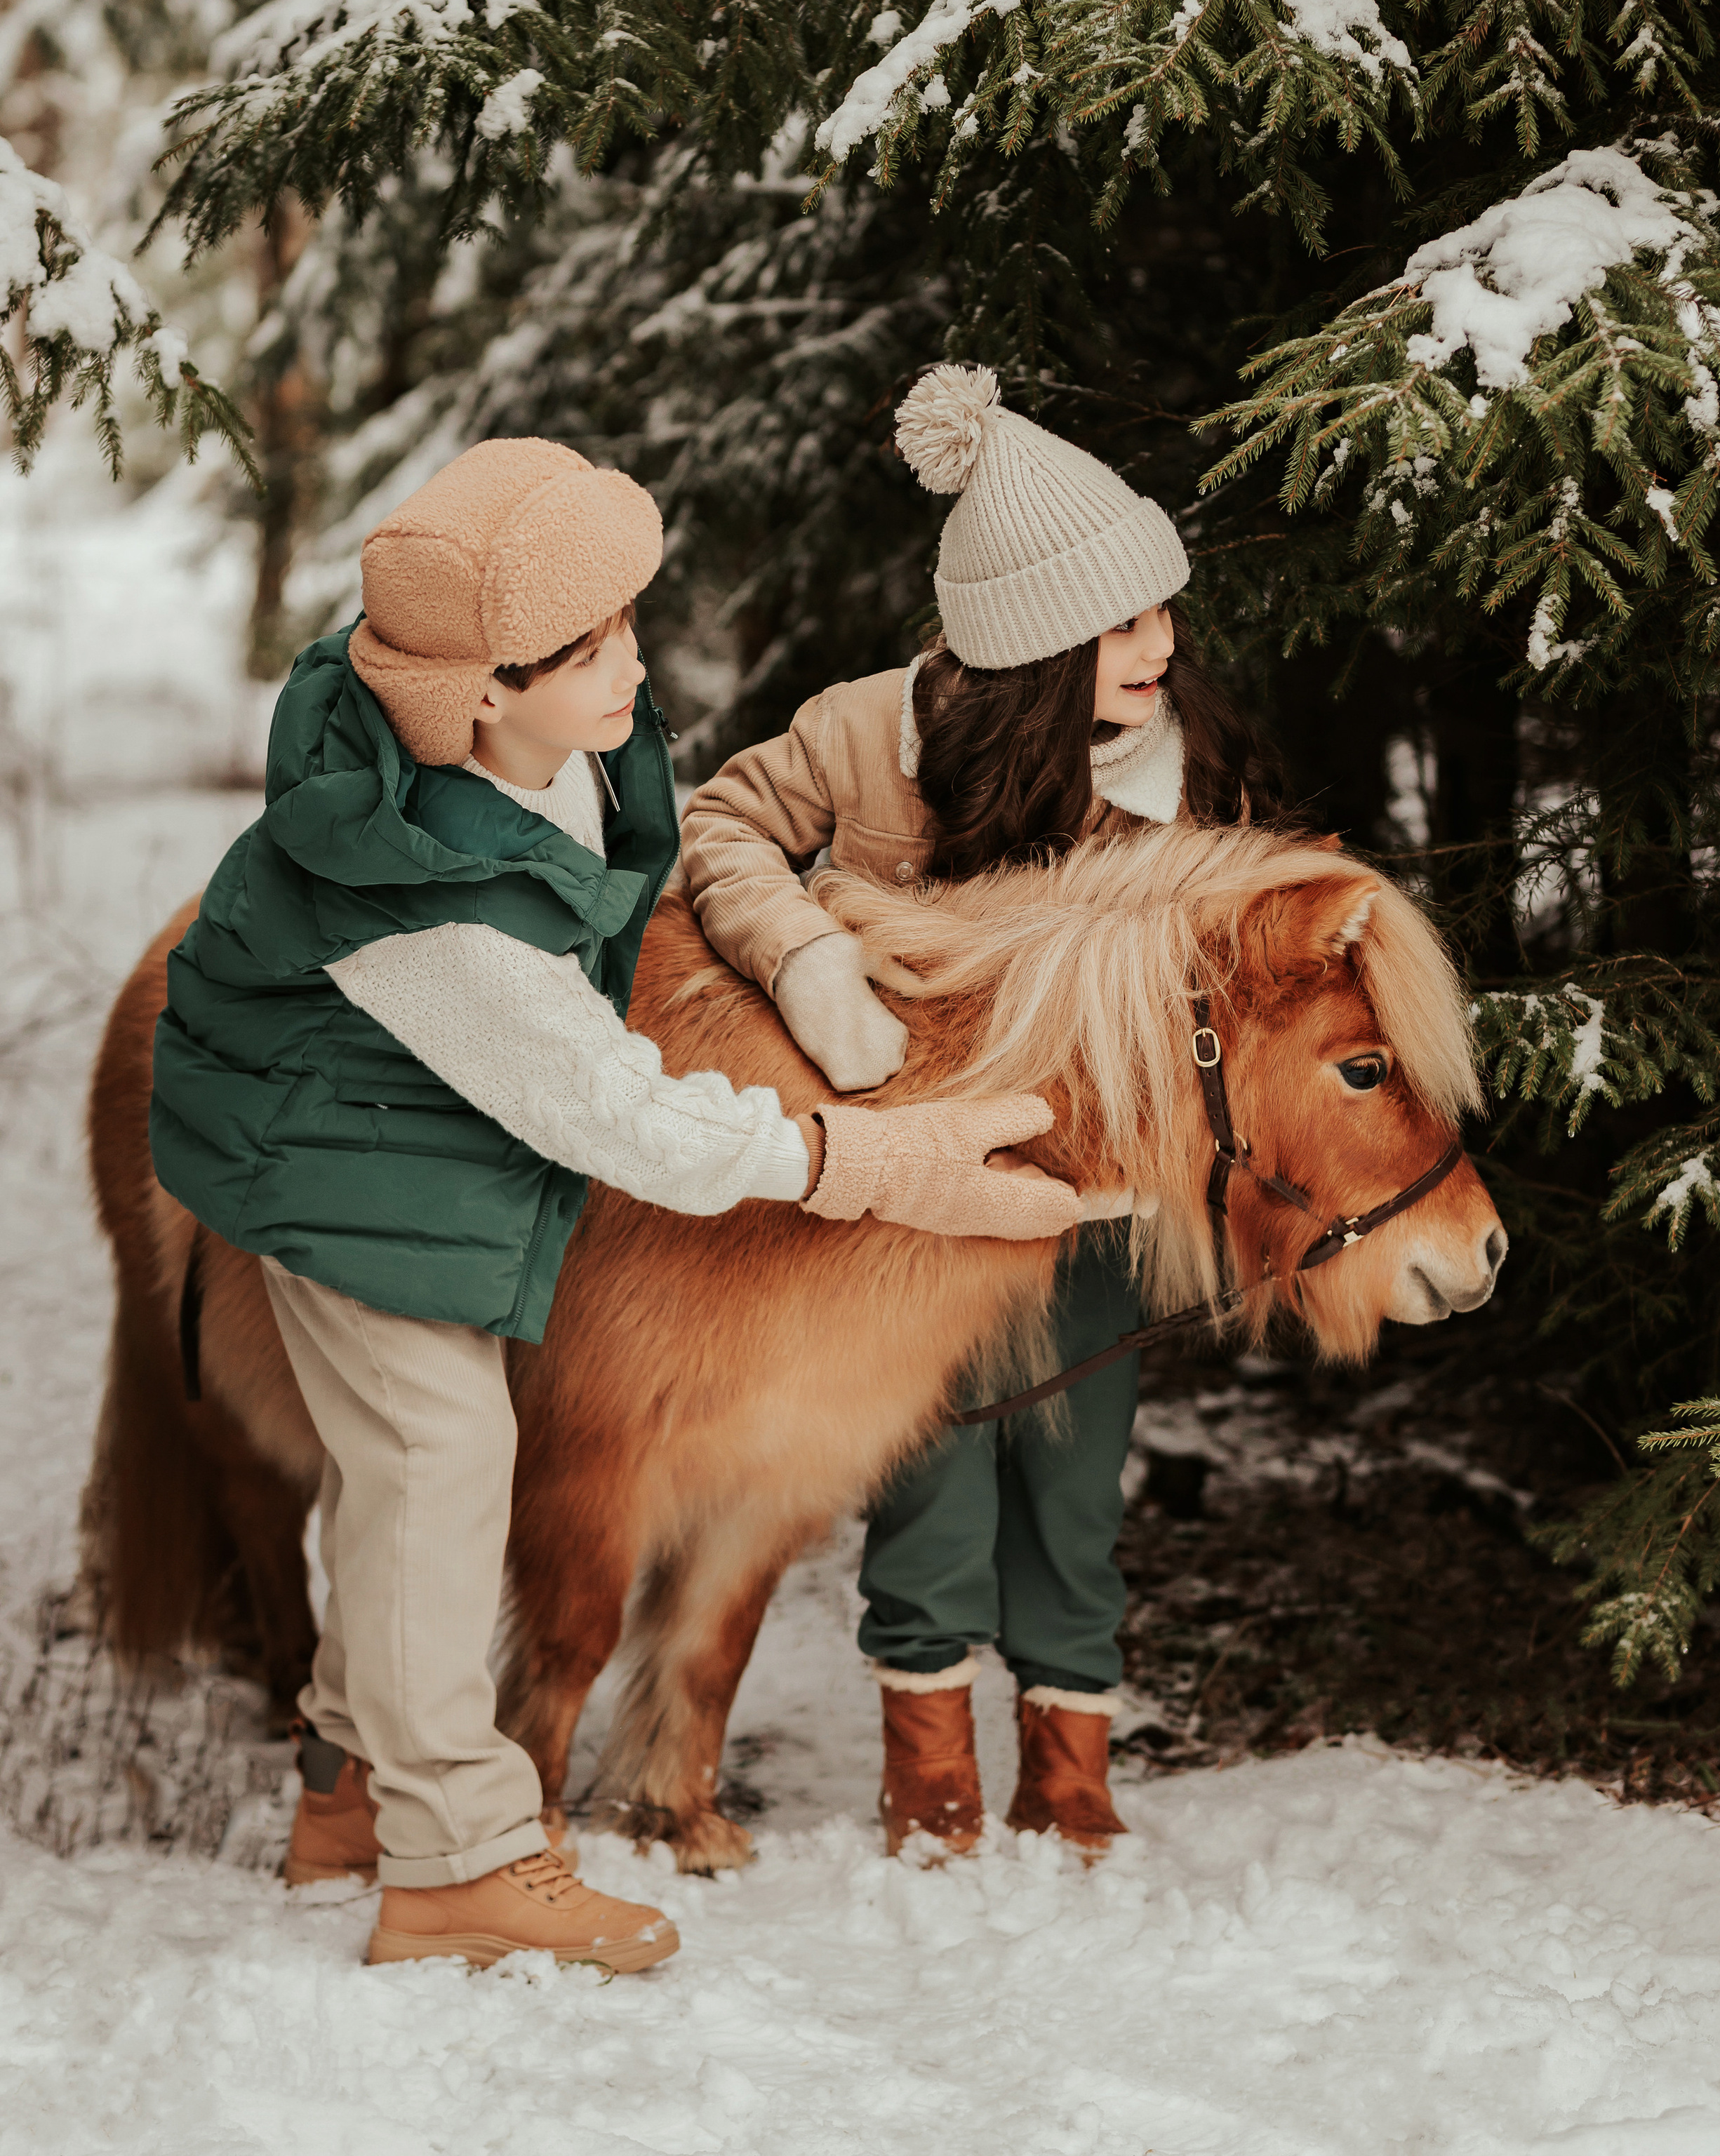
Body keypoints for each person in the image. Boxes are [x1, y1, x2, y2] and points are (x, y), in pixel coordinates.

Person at [149, 437, 1081, 1971]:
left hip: (409, 1131)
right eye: (589, 648)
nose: (634, 667)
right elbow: (614, 1110)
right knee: (440, 1472)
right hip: (332, 1164)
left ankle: (344, 1789)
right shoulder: (424, 901)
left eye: (628, 624)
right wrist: (871, 1166)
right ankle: (453, 1862)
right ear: (481, 694)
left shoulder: (510, 733)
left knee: (417, 1480)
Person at [682, 366, 1281, 1861]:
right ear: (1028, 648)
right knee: (930, 1478)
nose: (1159, 648)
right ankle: (930, 1787)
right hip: (919, 1192)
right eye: (1120, 624)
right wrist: (808, 954)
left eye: (1159, 612)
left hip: (1097, 1206)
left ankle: (1071, 1781)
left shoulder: (1187, 764)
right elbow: (721, 824)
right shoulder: (869, 732)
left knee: (1075, 1482)